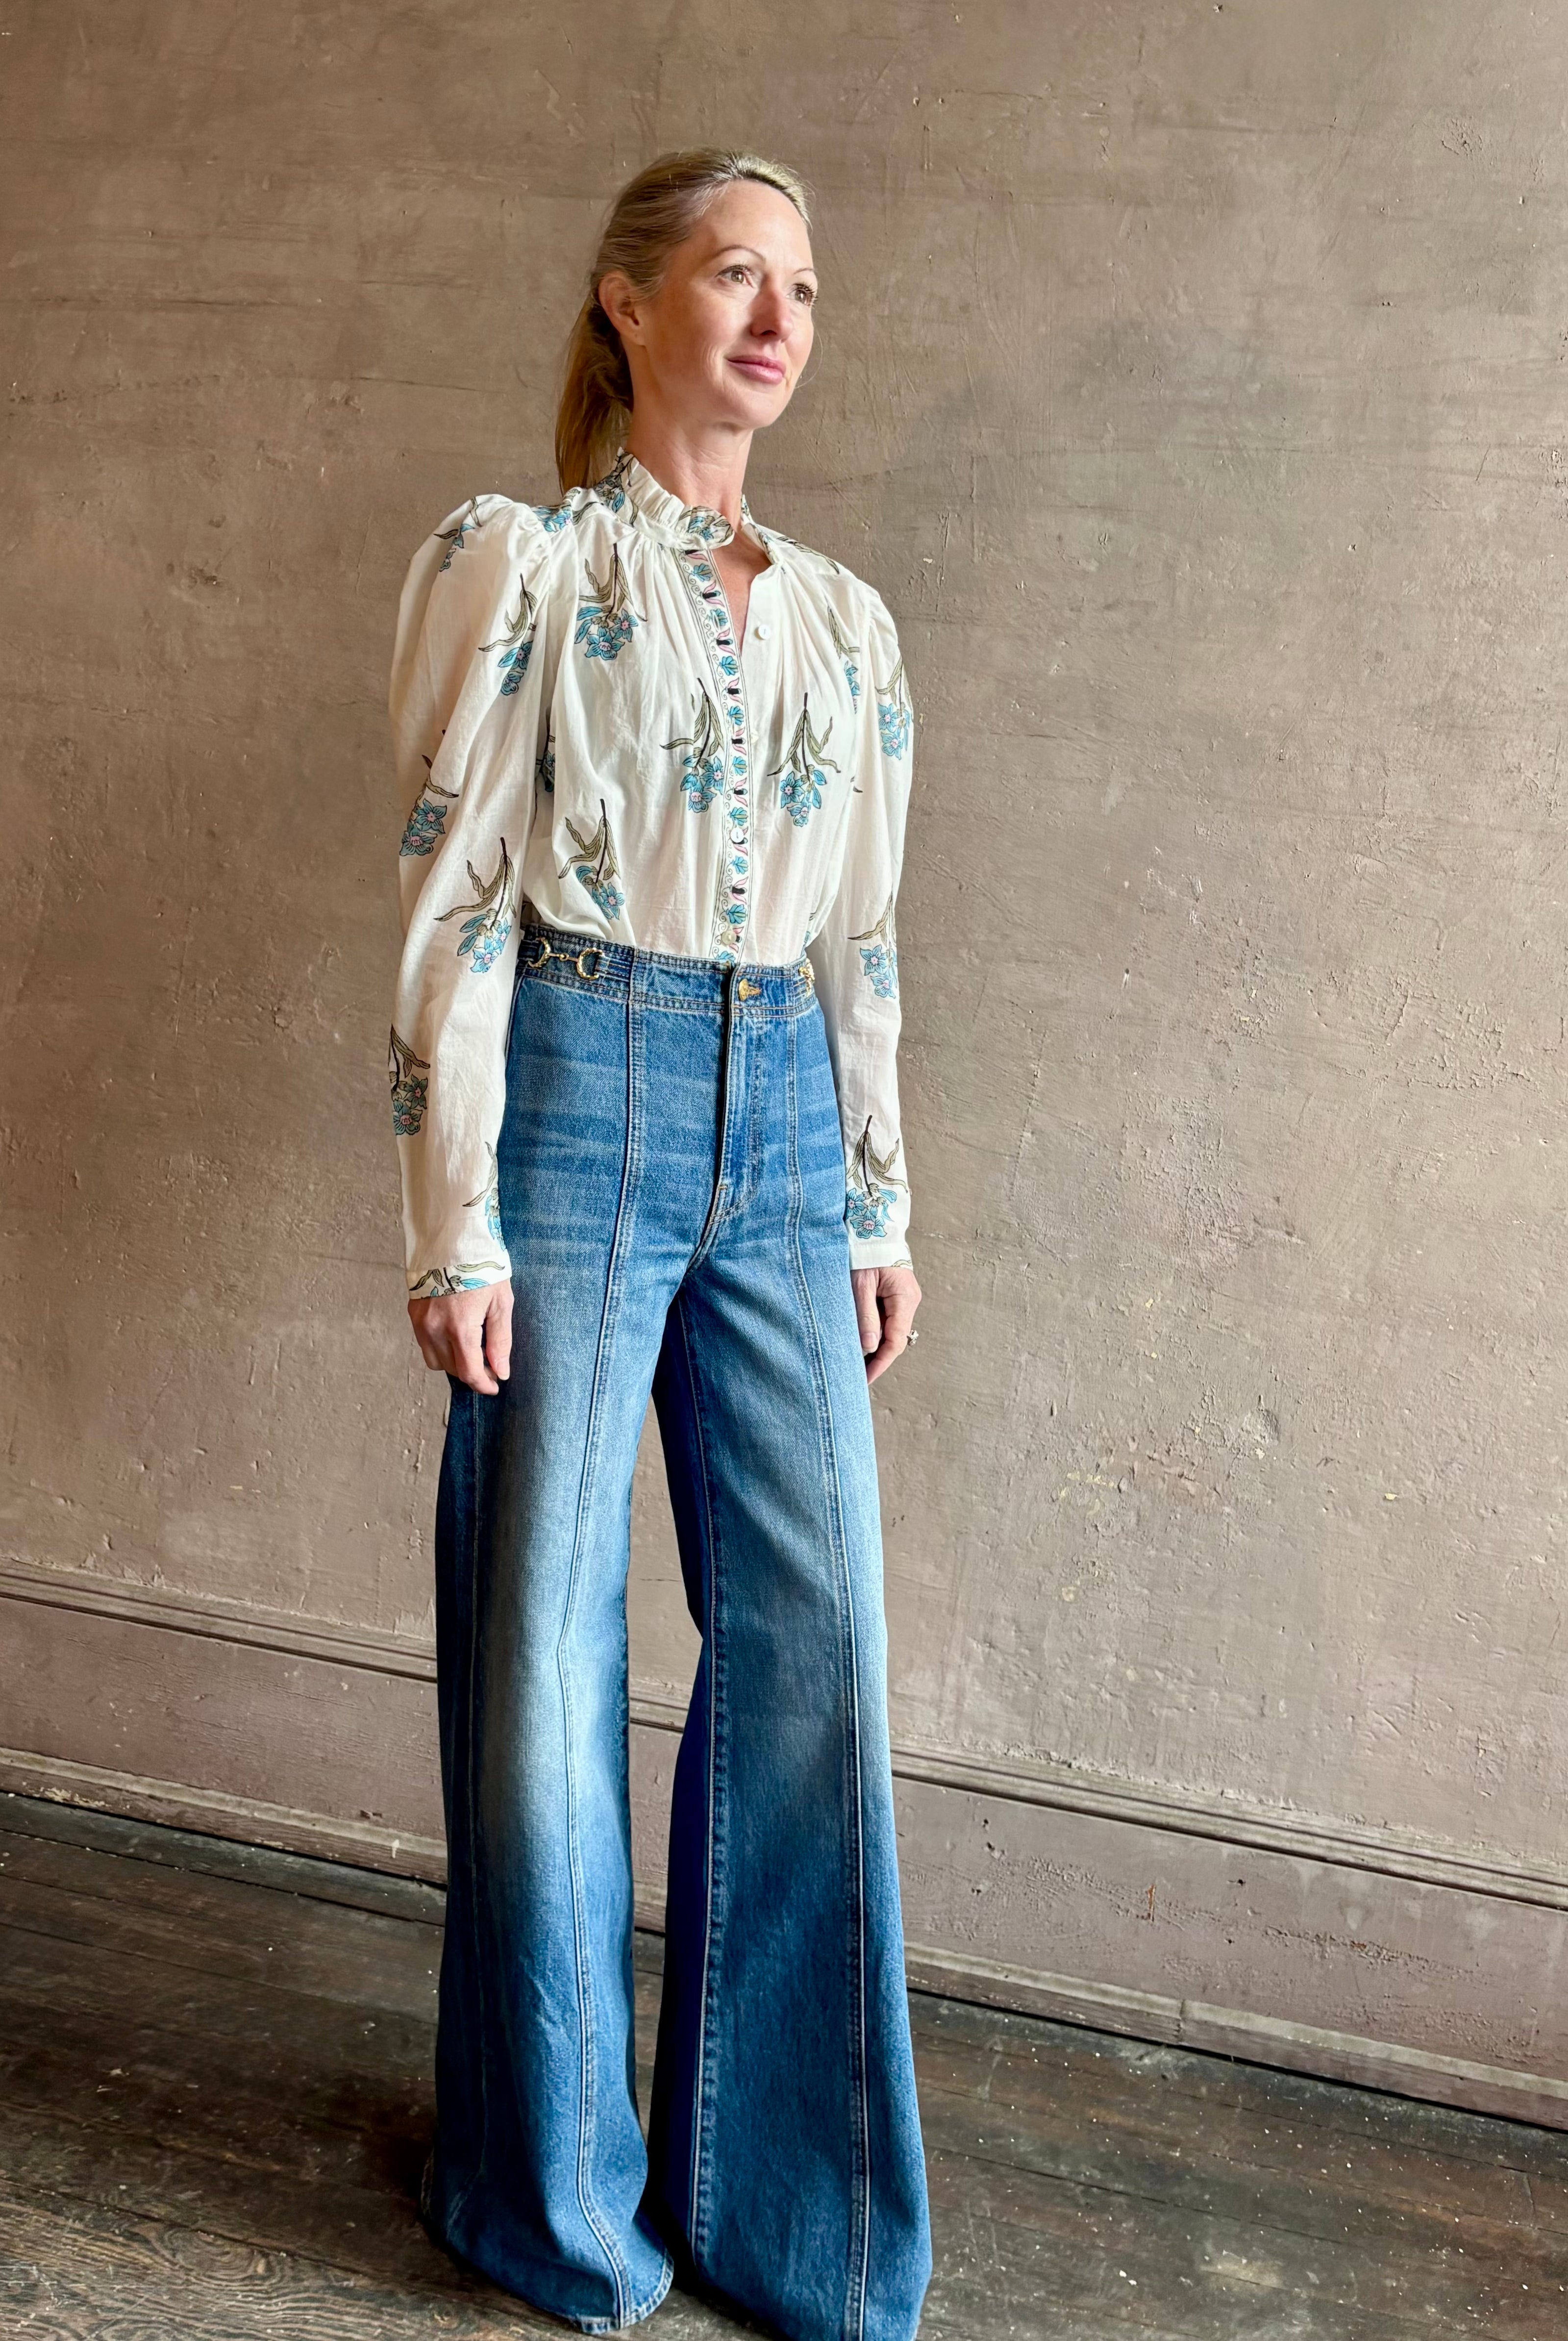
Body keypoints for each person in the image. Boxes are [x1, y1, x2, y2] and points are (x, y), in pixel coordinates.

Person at [387, 146, 931, 2340]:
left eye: (802, 285)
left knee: (815, 1643)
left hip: (780, 1111)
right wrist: (454, 1219)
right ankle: (551, 2204)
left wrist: (874, 1193)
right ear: (628, 305)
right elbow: (453, 895)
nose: (778, 318)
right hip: (580, 1085)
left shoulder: (843, 624)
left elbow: (862, 937)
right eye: (733, 274)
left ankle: (791, 2220)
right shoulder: (523, 566)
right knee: (544, 1655)